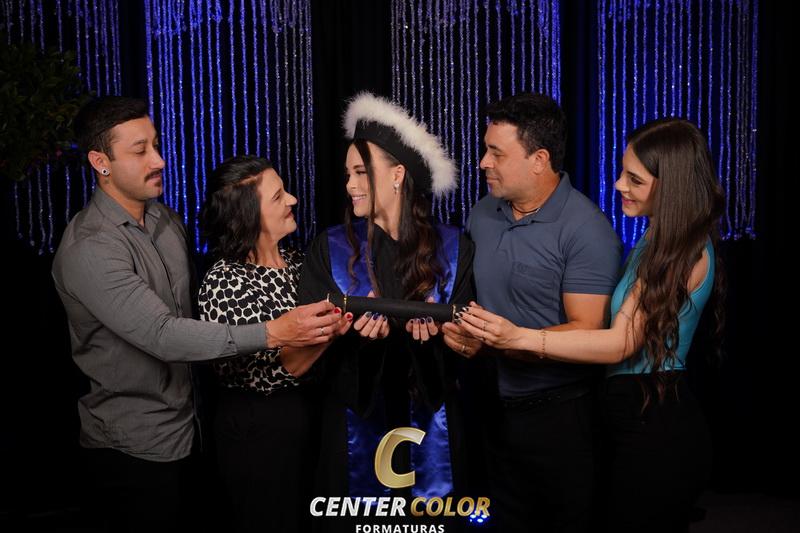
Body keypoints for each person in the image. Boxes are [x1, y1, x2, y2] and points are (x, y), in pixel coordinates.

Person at [51, 96, 346, 532]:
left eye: (156, 145)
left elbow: (194, 318)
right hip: (132, 450)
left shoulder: (168, 222)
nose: (159, 160)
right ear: (101, 162)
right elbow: (164, 335)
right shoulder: (89, 248)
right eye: (140, 150)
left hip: (195, 435)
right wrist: (275, 332)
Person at [458, 117, 723, 533]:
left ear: (671, 187)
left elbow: (621, 343)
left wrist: (518, 336)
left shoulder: (684, 250)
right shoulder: (656, 240)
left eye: (634, 179)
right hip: (629, 413)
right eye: (623, 173)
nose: (618, 185)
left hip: (656, 420)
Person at [442, 92, 622, 533]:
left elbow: (588, 330)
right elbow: (474, 300)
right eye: (486, 149)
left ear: (539, 159)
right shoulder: (483, 212)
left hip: (558, 415)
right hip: (489, 405)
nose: (483, 162)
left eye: (496, 153)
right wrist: (462, 330)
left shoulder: (587, 230)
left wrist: (508, 340)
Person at [297, 92, 476, 530]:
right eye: (347, 174)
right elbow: (308, 352)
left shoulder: (454, 248)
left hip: (434, 419)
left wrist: (440, 340)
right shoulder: (329, 249)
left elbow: (471, 349)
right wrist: (354, 340)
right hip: (353, 423)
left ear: (398, 175)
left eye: (361, 172)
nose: (349, 185)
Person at [198, 155, 352, 533]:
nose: (293, 200)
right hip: (259, 432)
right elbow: (267, 374)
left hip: (311, 417)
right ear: (247, 215)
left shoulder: (300, 262)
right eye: (278, 196)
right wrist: (333, 330)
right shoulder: (224, 281)